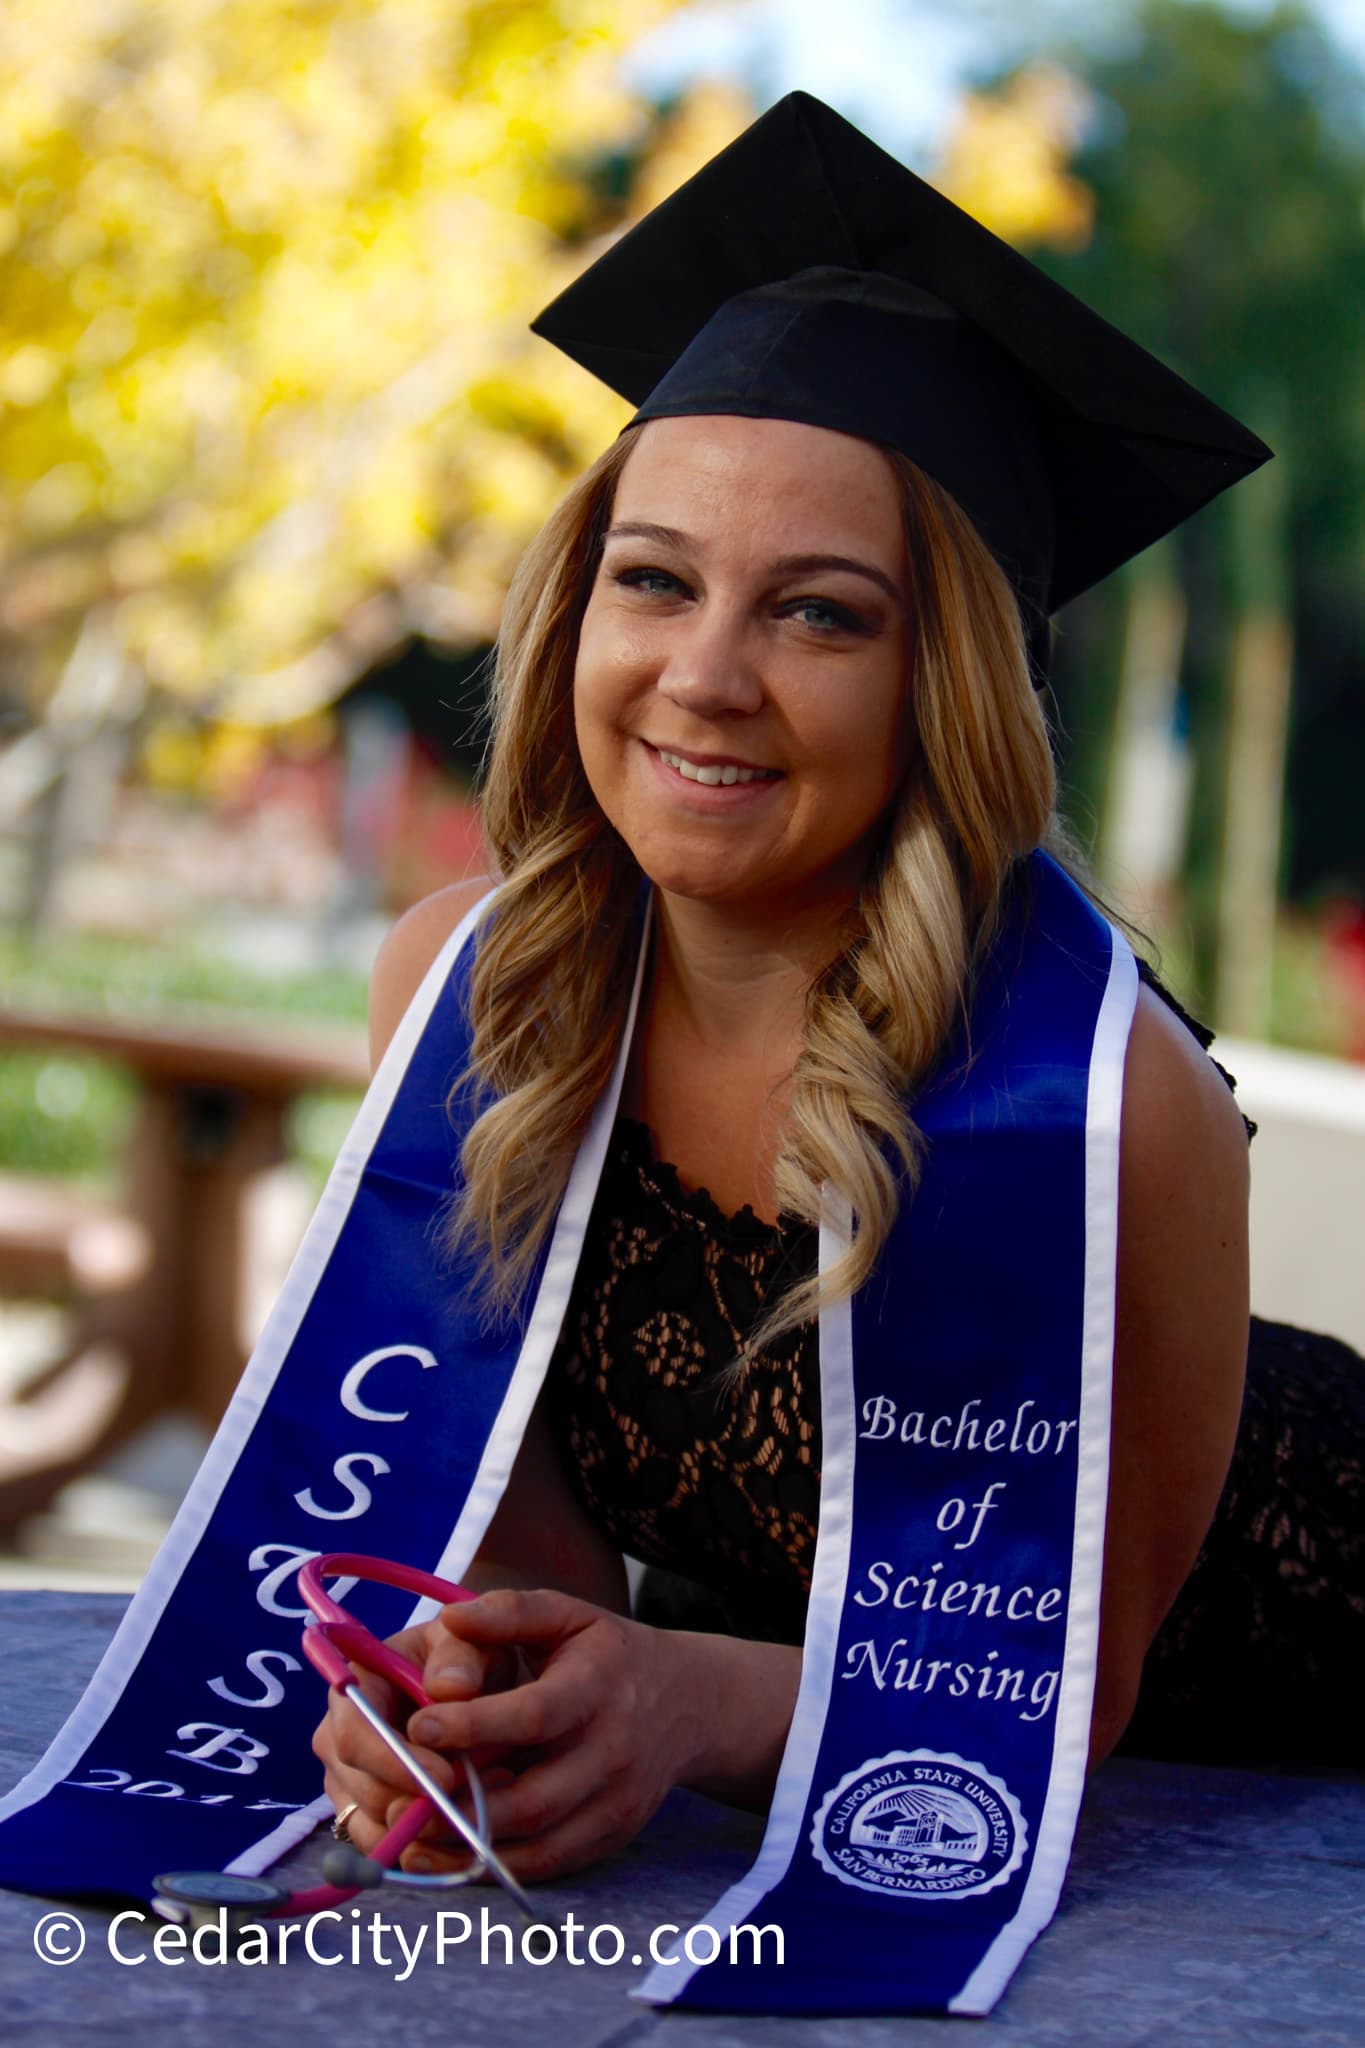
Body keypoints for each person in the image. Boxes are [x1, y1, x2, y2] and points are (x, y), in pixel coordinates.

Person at [309, 93, 1316, 1893]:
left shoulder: (1103, 1099)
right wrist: (456, 1699)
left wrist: (689, 1708)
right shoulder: (472, 1000)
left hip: (1260, 1751)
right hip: (784, 1738)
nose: (705, 675)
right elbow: (531, 1576)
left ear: (949, 686)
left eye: (821, 614)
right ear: (572, 621)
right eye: (654, 581)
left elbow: (1061, 1692)